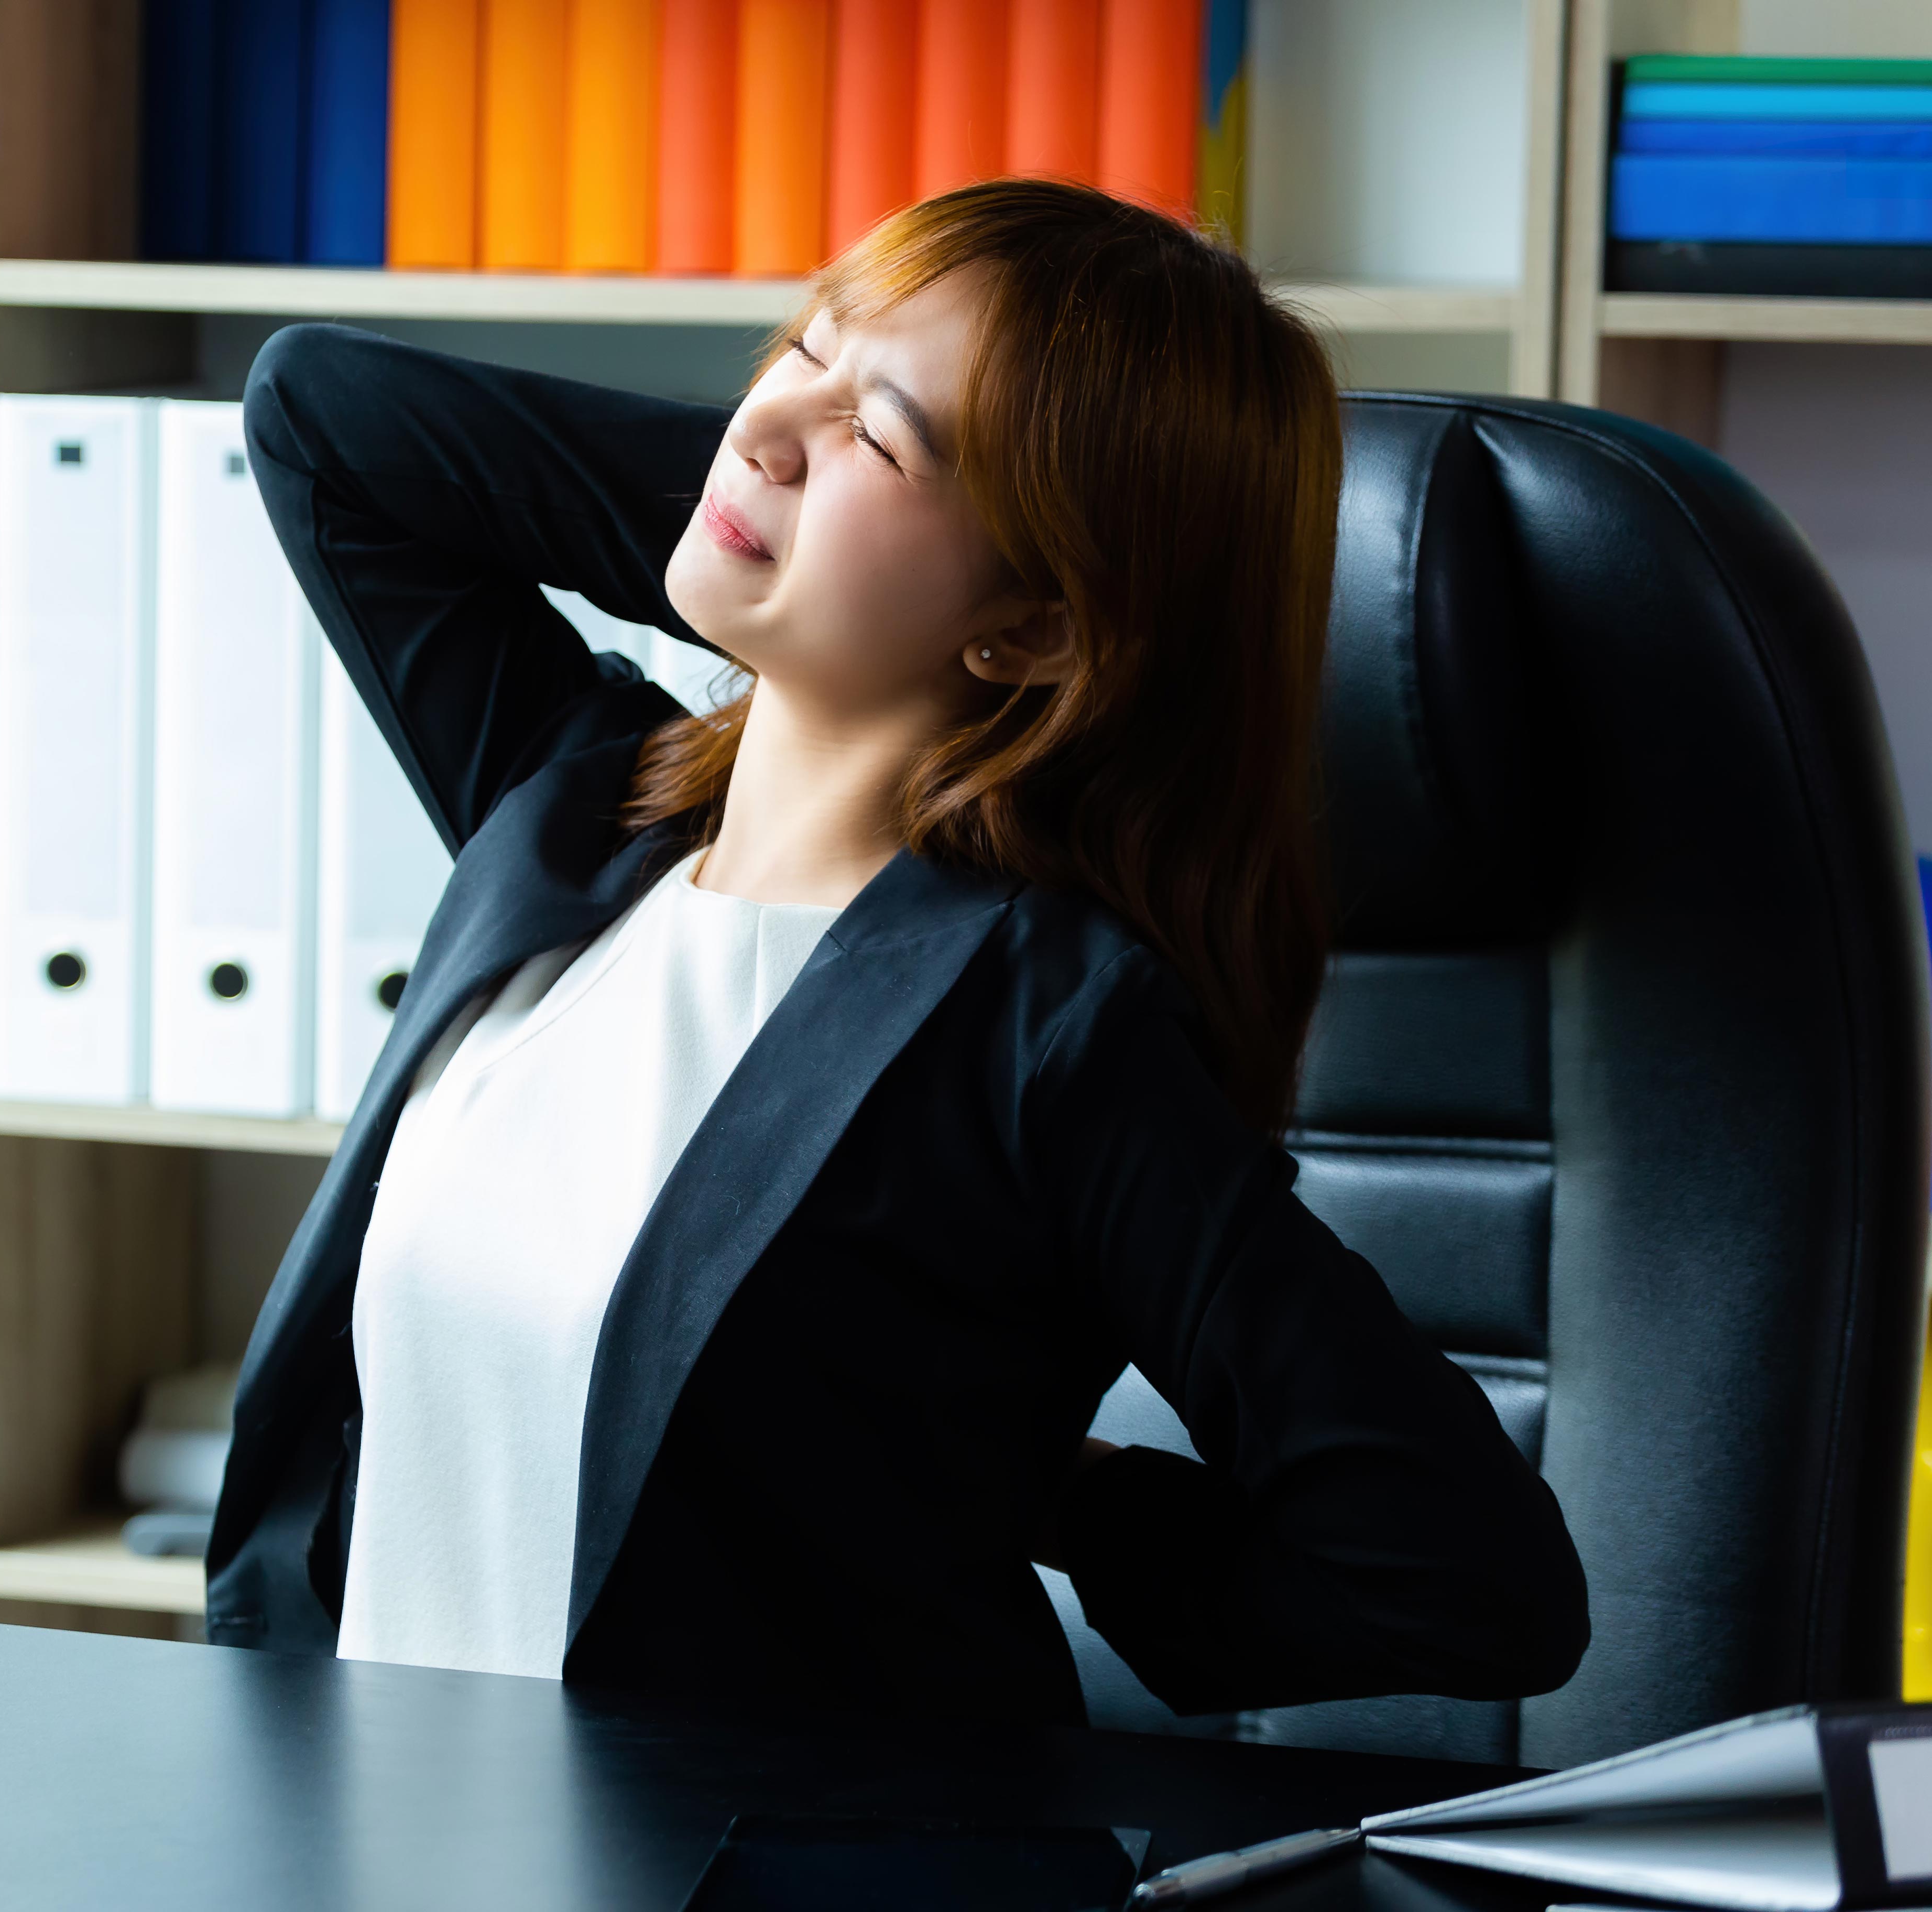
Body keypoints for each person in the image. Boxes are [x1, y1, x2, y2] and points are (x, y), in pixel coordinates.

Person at [204, 178, 1588, 1727]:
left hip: (713, 1844)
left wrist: (1054, 1496)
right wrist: (806, 518)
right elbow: (324, 414)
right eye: (804, 342)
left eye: (881, 437)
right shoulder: (574, 815)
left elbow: (1469, 1579)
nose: (766, 424)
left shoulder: (1046, 1024)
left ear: (1040, 627)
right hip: (361, 1814)